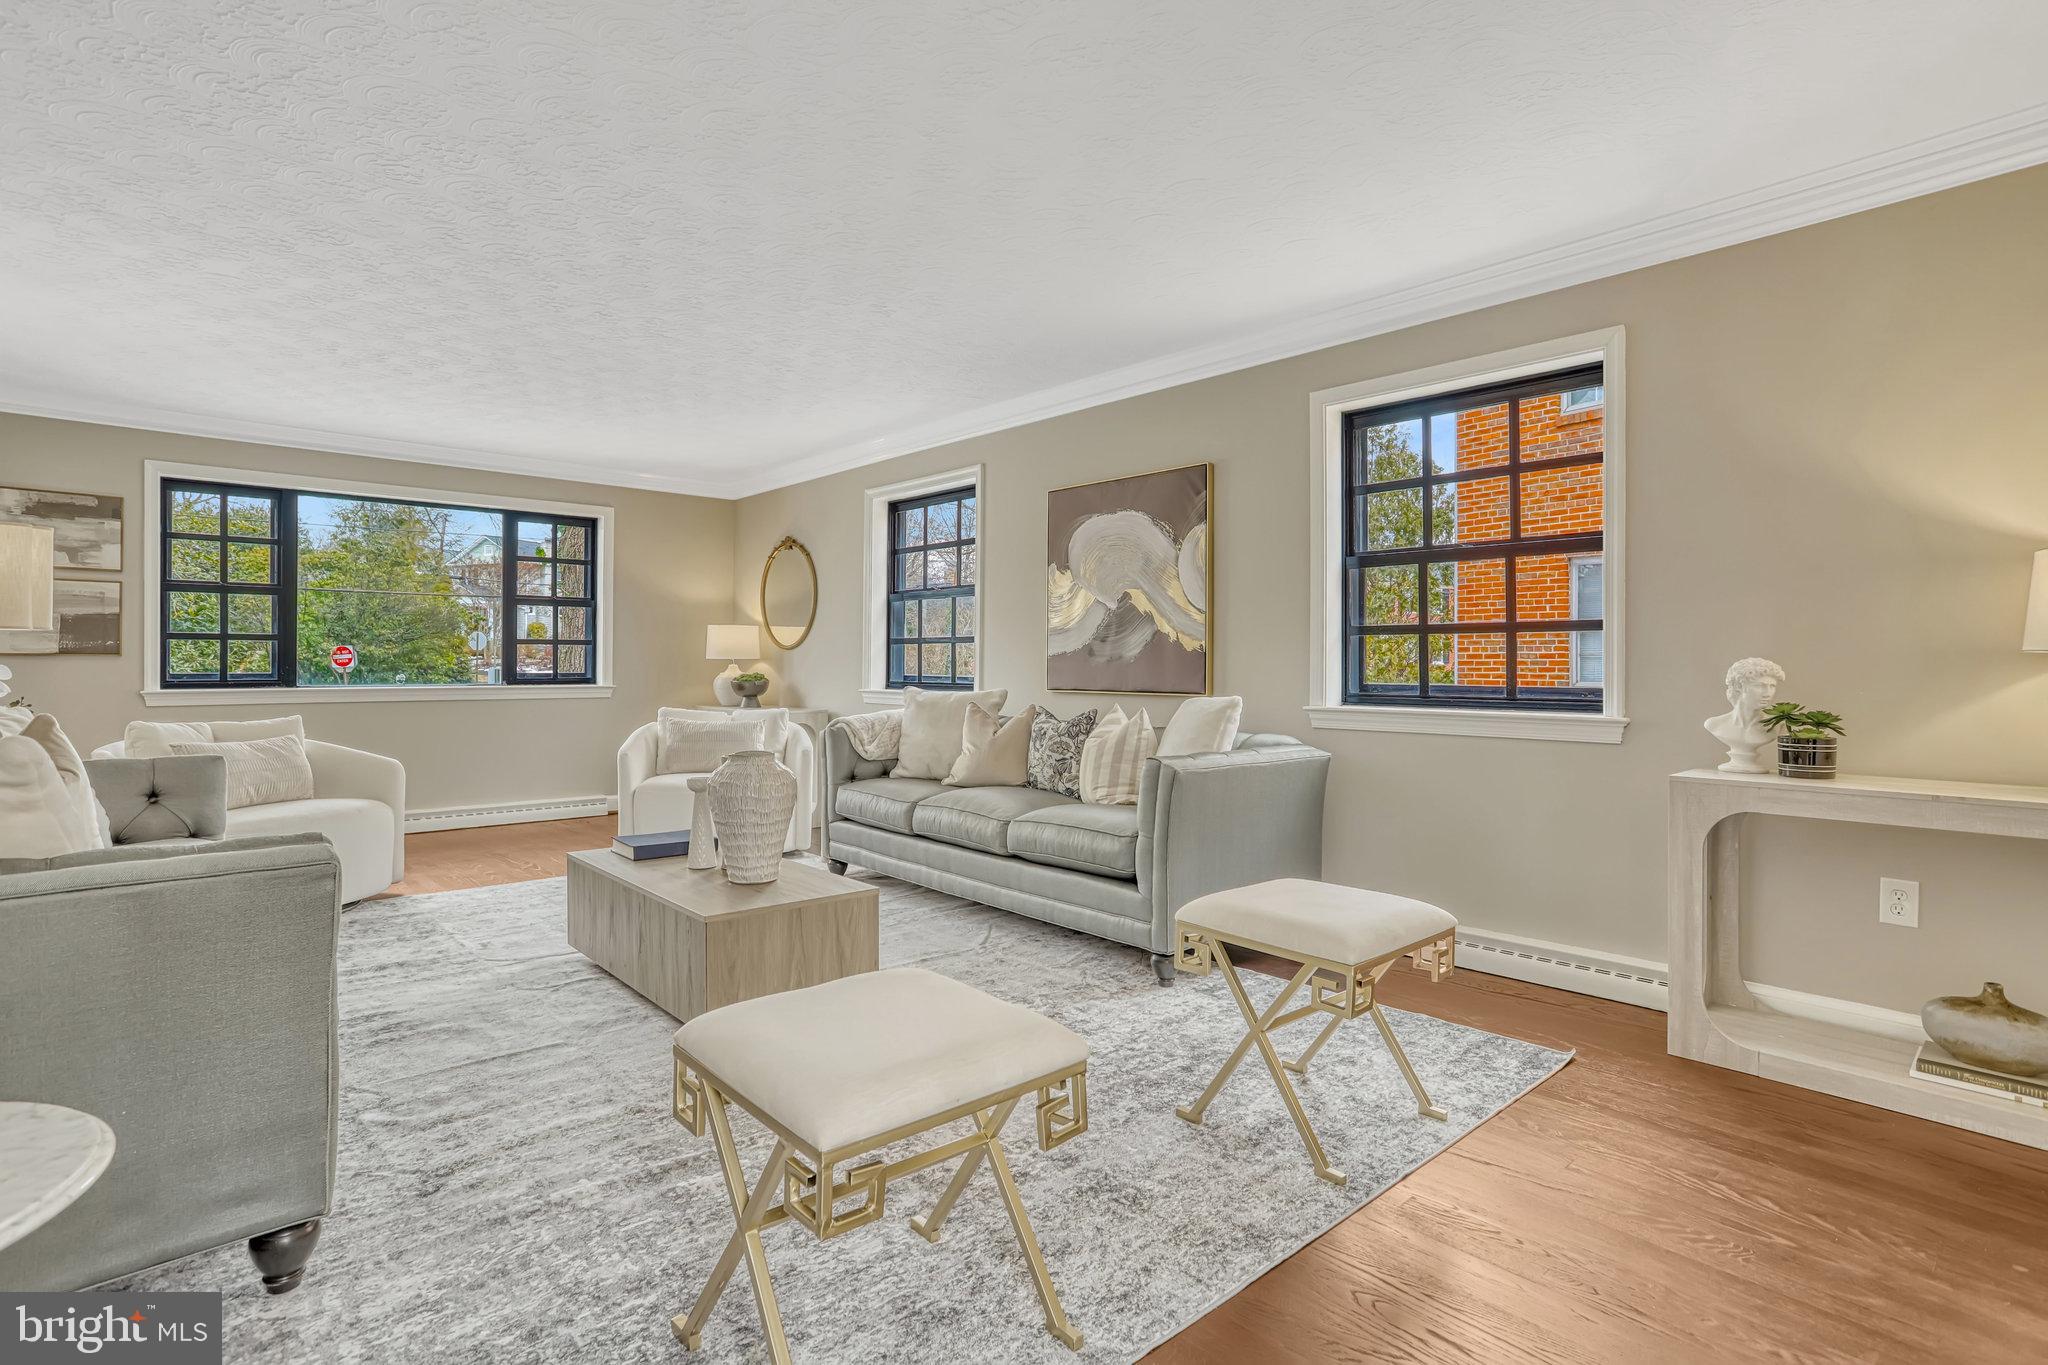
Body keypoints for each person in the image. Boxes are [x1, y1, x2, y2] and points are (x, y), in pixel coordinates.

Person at [1705, 657, 1785, 773]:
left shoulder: (1776, 726)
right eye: (1759, 686)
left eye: (1772, 686)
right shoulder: (1715, 724)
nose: (1768, 693)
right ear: (1739, 687)